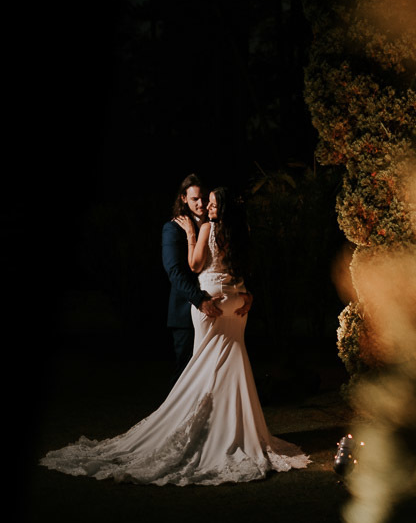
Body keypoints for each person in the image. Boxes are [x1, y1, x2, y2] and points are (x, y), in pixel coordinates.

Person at [39, 186, 310, 485]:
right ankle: (233, 431)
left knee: (202, 369)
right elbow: (241, 270)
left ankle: (208, 433)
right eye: (206, 203)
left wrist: (192, 237)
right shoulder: (241, 231)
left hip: (212, 302)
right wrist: (247, 294)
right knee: (232, 367)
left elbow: (194, 265)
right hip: (237, 302)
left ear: (222, 208)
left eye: (212, 204)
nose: (207, 207)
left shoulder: (208, 228)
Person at [162, 174, 222, 388]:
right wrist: (199, 300)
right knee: (184, 373)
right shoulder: (172, 229)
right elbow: (175, 272)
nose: (201, 203)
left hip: (215, 309)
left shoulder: (215, 225)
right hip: (185, 313)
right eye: (195, 198)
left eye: (204, 198)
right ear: (183, 199)